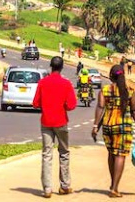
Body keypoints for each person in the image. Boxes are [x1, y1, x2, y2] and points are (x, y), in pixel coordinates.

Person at [92, 65, 135, 198]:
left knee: (111, 154)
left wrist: (95, 126)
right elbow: (134, 111)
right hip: (123, 127)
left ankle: (112, 184)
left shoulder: (104, 90)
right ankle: (114, 188)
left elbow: (100, 107)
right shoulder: (129, 91)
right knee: (120, 155)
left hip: (108, 126)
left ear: (110, 76)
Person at [33, 57, 77, 198]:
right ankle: (64, 185)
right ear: (62, 67)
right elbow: (71, 105)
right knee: (64, 152)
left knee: (47, 154)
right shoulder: (66, 84)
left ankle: (47, 188)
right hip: (61, 122)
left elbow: (35, 103)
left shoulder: (42, 83)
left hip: (46, 122)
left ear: (51, 66)